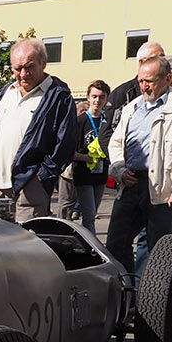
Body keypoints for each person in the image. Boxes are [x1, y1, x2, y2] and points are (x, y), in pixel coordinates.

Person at [105, 55, 172, 275]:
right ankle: (128, 294)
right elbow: (116, 143)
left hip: (163, 188)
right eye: (140, 81)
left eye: (149, 81)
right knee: (115, 243)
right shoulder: (132, 107)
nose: (144, 86)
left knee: (156, 251)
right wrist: (119, 170)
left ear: (168, 79)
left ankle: (149, 301)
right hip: (130, 183)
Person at [0, 38, 79, 223]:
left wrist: (41, 178)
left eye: (29, 66)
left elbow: (66, 143)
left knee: (23, 245)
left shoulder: (58, 97)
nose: (23, 74)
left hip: (30, 187)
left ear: (44, 63)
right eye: (17, 68)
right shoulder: (3, 93)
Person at [71, 80, 111, 236]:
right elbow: (70, 152)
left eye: (101, 97)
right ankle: (92, 248)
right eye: (94, 96)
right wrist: (85, 158)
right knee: (88, 215)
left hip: (101, 174)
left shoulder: (107, 121)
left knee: (91, 214)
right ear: (88, 97)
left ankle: (83, 240)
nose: (97, 100)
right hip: (83, 174)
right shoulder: (80, 121)